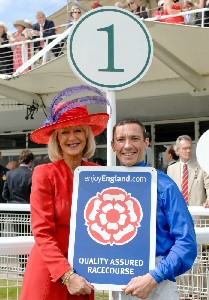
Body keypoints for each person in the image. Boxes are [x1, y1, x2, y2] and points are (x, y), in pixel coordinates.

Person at [20, 85, 110, 300]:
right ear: (57, 139)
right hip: (51, 274)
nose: (72, 137)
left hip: (85, 271)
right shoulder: (44, 173)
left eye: (78, 130)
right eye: (65, 132)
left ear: (87, 135)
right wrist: (67, 275)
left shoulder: (97, 173)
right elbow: (42, 232)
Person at [111, 118, 197, 300]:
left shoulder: (165, 185)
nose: (127, 146)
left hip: (158, 283)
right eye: (121, 140)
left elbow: (186, 242)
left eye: (134, 138)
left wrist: (153, 277)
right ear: (113, 145)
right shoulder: (104, 186)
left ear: (146, 142)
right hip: (118, 281)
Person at [167, 135, 209, 207]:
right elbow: (169, 191)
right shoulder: (171, 169)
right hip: (178, 214)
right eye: (185, 148)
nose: (188, 151)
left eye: (190, 148)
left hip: (197, 214)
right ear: (177, 151)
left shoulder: (201, 166)